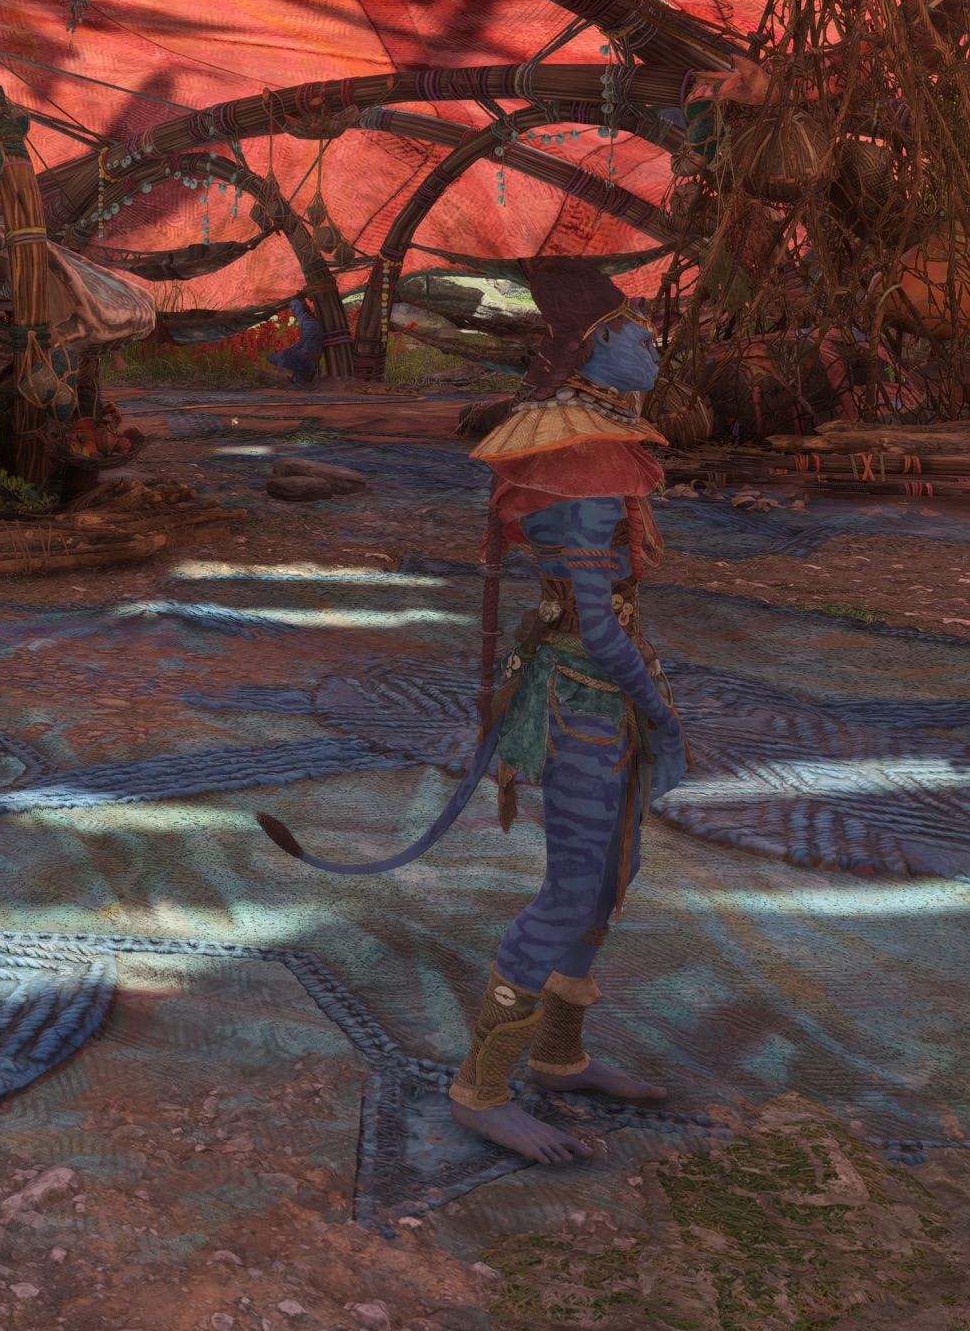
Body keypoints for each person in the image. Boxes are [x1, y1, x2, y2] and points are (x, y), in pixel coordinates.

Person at [250, 258, 683, 1166]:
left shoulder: (599, 440)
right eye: (635, 332)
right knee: (573, 888)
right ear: (593, 347)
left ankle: (559, 1055)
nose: (653, 346)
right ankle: (481, 1091)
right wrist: (660, 708)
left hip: (604, 690)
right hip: (584, 699)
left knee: (613, 874)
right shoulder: (579, 457)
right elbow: (596, 622)